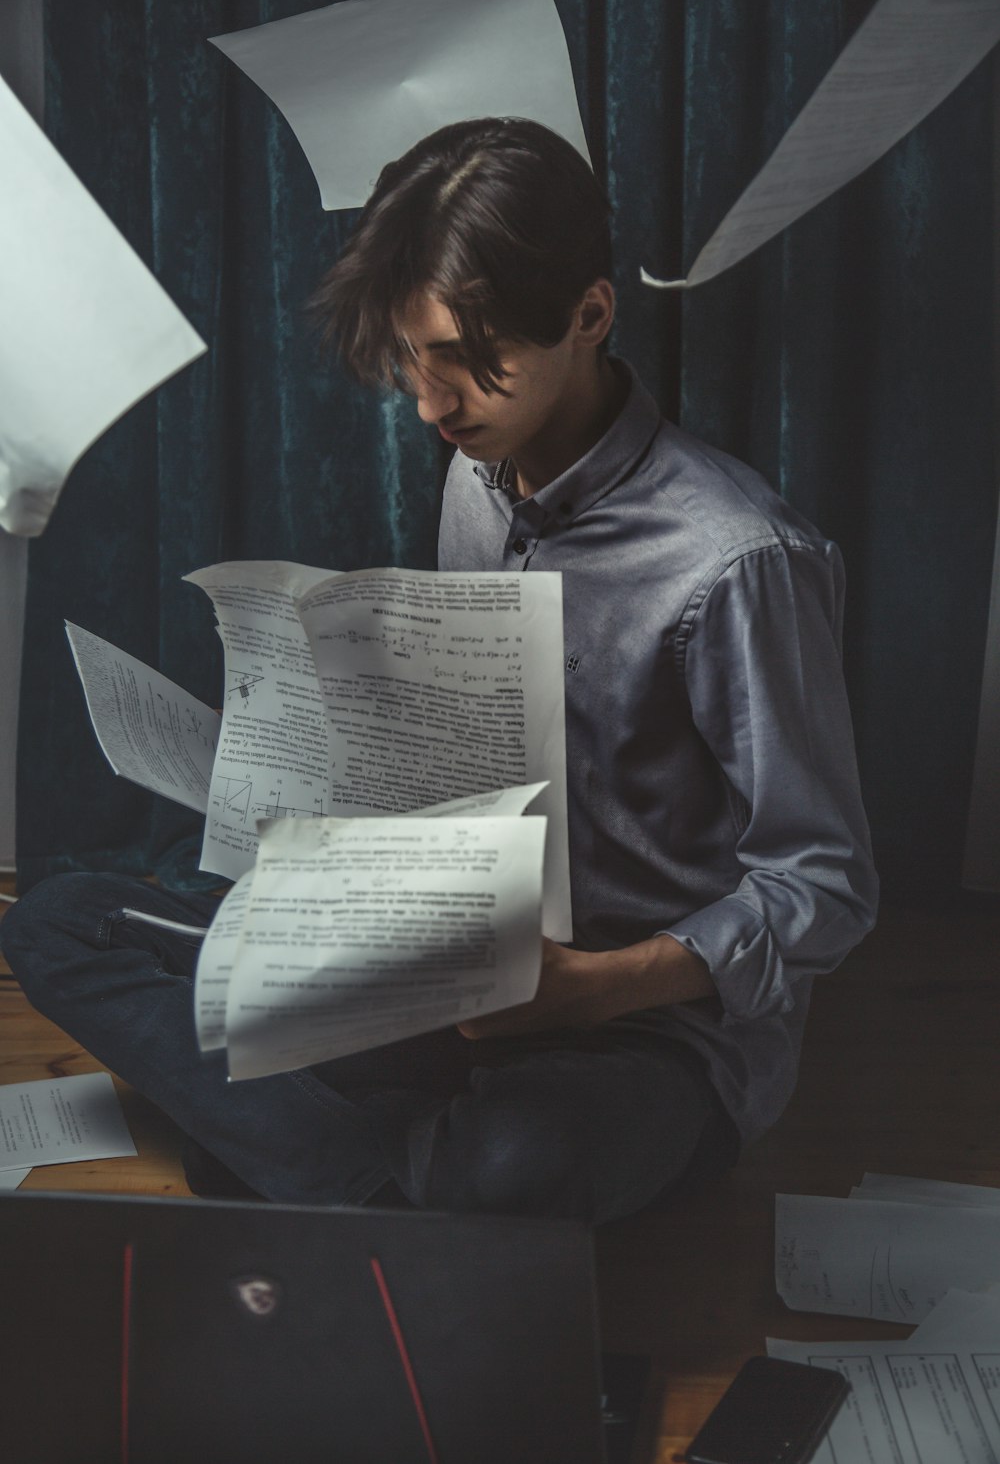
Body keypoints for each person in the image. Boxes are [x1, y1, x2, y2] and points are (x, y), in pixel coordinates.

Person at [1, 118, 877, 1224]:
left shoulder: (739, 559)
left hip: (636, 1025)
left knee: (516, 1162)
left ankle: (335, 1165)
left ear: (589, 316)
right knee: (57, 926)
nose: (430, 403)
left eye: (468, 362)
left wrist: (594, 988)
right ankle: (384, 1179)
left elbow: (826, 887)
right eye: (412, 358)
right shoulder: (478, 476)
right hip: (449, 969)